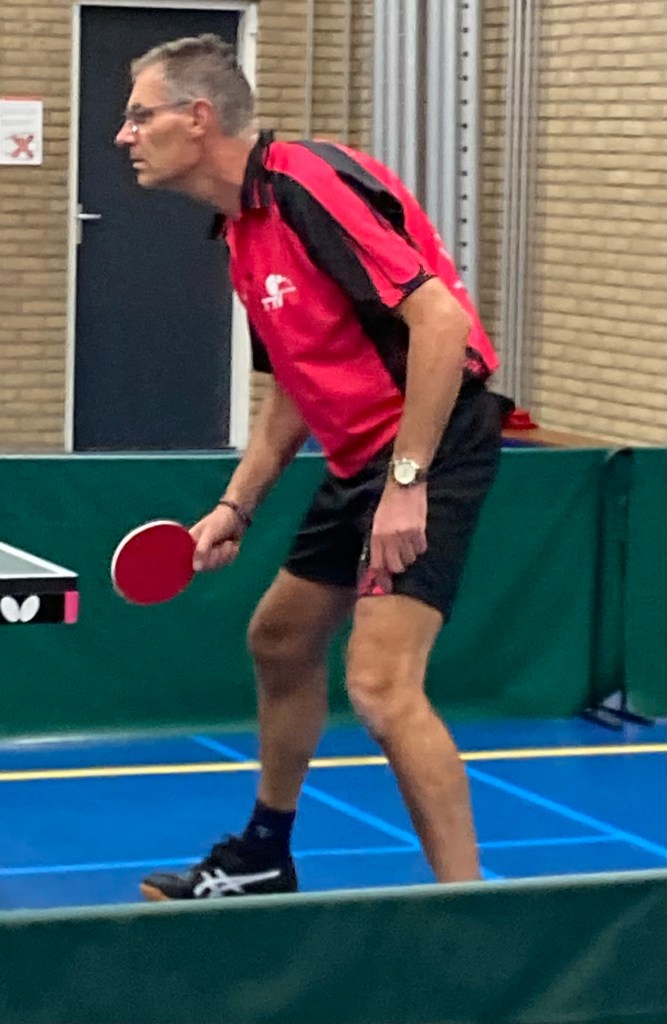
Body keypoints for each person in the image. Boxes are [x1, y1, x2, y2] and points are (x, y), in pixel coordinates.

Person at [115, 33, 506, 901]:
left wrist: (406, 484)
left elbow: (442, 325)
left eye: (139, 115)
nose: (124, 135)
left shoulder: (305, 185)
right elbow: (293, 387)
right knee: (280, 636)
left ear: (197, 117)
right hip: (363, 454)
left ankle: (472, 914)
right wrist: (236, 506)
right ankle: (263, 853)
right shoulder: (240, 232)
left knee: (379, 686)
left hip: (432, 440)